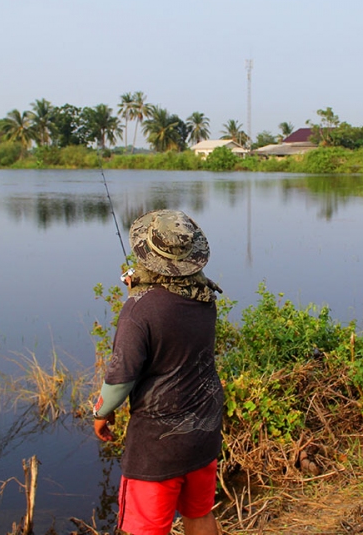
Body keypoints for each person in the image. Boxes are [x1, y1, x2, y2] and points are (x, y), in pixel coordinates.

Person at [92, 209, 224, 535]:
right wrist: (139, 293)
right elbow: (169, 313)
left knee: (145, 529)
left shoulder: (139, 309)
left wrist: (102, 412)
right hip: (204, 430)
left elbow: (122, 375)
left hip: (158, 445)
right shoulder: (205, 298)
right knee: (199, 515)